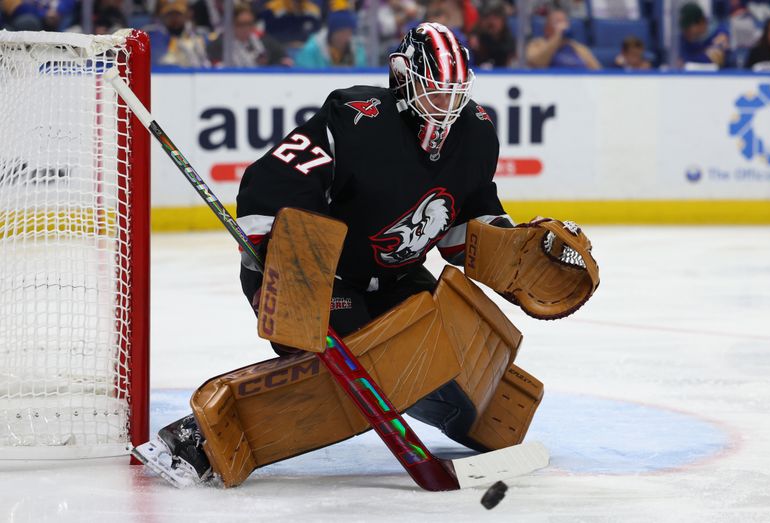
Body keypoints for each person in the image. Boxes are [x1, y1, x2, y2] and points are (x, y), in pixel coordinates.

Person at [135, 21, 520, 486]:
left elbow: (463, 224)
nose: (447, 104)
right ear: (404, 79)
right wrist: (282, 260)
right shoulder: (357, 118)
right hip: (313, 276)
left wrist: (515, 250)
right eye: (435, 90)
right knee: (361, 363)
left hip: (396, 278)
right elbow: (273, 180)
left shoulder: (476, 133)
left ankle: (467, 417)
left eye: (456, 92)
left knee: (452, 345)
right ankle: (195, 440)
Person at [206, 3, 291, 67]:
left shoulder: (264, 41)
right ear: (231, 25)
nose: (246, 28)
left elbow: (285, 60)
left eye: (250, 24)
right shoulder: (219, 44)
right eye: (241, 24)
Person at [525, 8, 601, 69]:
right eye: (557, 22)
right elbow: (536, 63)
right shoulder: (537, 44)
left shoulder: (578, 47)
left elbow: (597, 71)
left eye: (564, 21)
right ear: (546, 29)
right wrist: (557, 37)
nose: (563, 25)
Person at [145, 0, 210, 67]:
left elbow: (206, 65)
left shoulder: (198, 36)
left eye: (178, 13)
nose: (174, 17)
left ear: (187, 14)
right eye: (170, 13)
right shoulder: (151, 35)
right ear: (162, 15)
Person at [294, 9, 367, 68]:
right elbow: (304, 75)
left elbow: (361, 73)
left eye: (349, 32)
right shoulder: (312, 49)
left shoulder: (357, 49)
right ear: (332, 32)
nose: (345, 36)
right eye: (341, 32)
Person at [678, 1, 730, 68]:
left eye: (688, 29)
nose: (685, 33)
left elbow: (715, 59)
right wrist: (705, 53)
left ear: (701, 22)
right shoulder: (685, 37)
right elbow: (684, 59)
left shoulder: (720, 32)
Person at [469, 0, 516, 68]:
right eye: (487, 17)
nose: (491, 21)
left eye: (496, 17)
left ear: (503, 19)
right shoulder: (476, 38)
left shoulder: (508, 40)